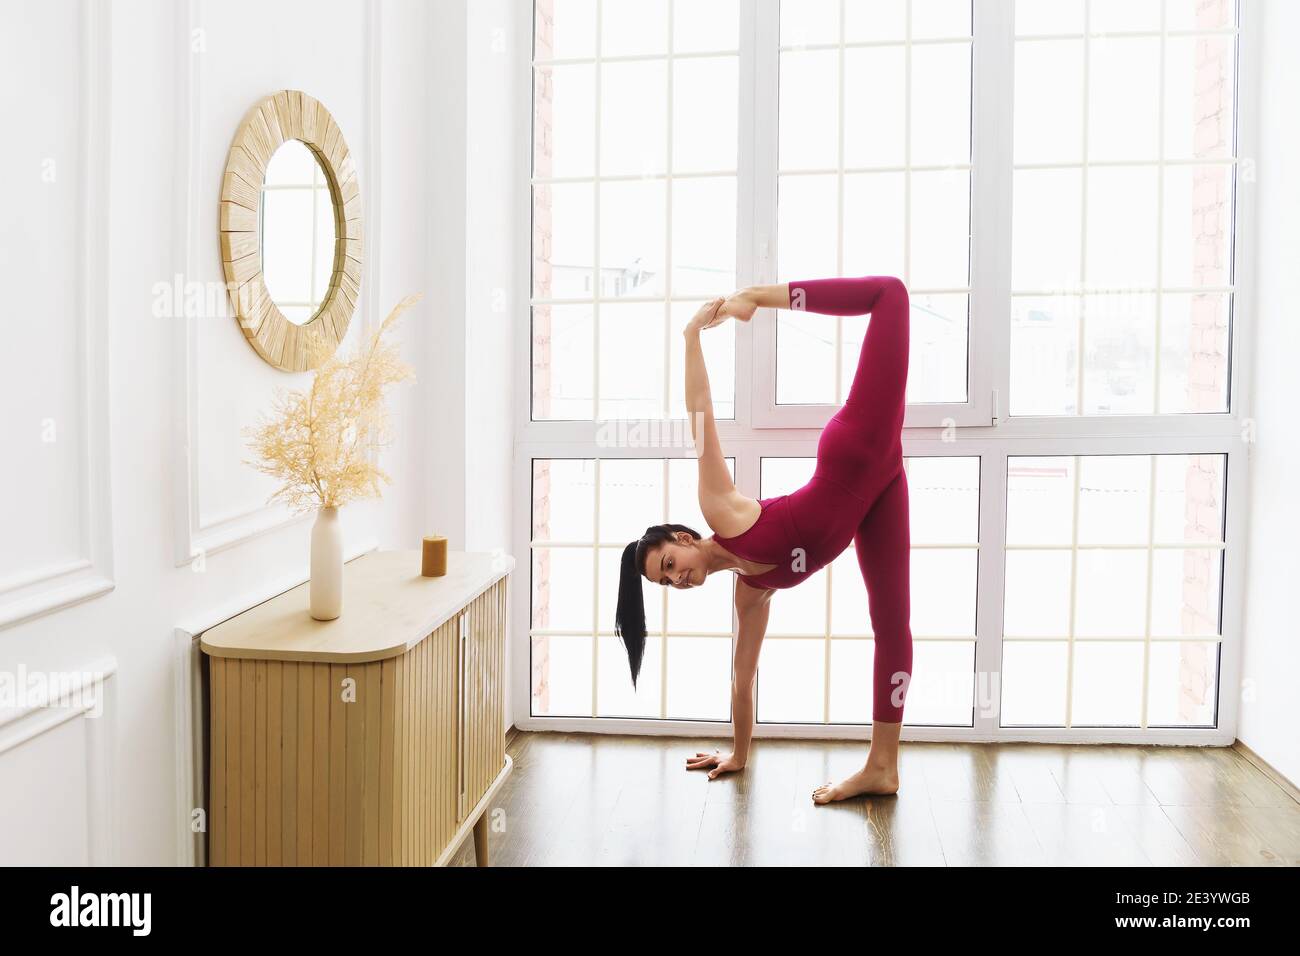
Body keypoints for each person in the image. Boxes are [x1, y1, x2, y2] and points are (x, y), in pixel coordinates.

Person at [614, 276, 914, 803]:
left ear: (684, 537)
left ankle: (758, 296)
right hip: (879, 488)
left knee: (889, 294)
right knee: (891, 623)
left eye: (668, 562)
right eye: (667, 581)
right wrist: (739, 755)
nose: (677, 577)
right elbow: (742, 679)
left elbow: (700, 414)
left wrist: (691, 336)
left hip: (857, 447)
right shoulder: (750, 593)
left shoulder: (722, 512)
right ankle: (881, 767)